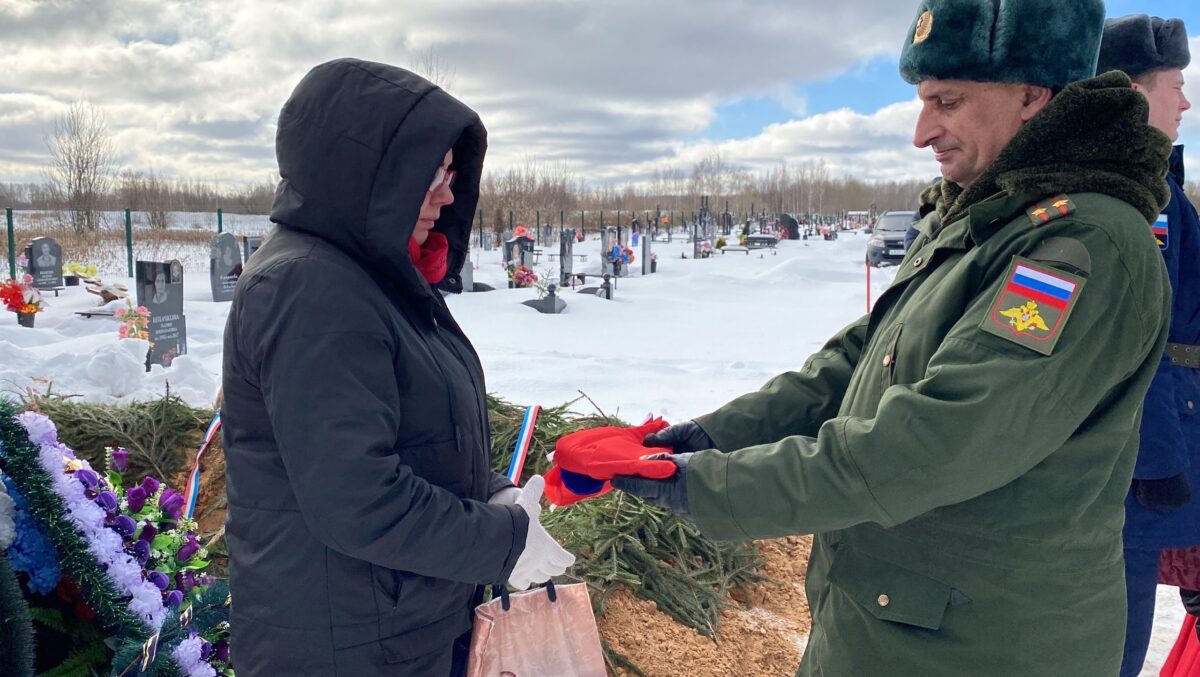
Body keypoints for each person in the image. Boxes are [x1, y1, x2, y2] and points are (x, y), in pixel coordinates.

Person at [611, 1, 1173, 674]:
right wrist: (710, 438)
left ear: (1032, 92)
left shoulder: (1078, 244)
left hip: (981, 647)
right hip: (892, 627)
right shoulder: (983, 213)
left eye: (947, 100)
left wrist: (705, 488)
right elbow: (853, 364)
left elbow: (934, 442)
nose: (921, 131)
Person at [221, 59, 573, 677]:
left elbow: (409, 437)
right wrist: (502, 543)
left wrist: (493, 493)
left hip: (395, 628)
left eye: (450, 172)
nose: (448, 192)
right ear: (366, 173)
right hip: (343, 646)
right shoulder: (309, 288)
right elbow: (357, 497)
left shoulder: (374, 278)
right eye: (429, 173)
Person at [1096, 15, 1200, 677]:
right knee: (1119, 644)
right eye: (1177, 86)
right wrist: (1161, 470)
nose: (1187, 101)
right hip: (1149, 464)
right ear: (1136, 95)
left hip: (1168, 443)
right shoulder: (1142, 196)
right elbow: (1144, 340)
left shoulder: (1155, 181)